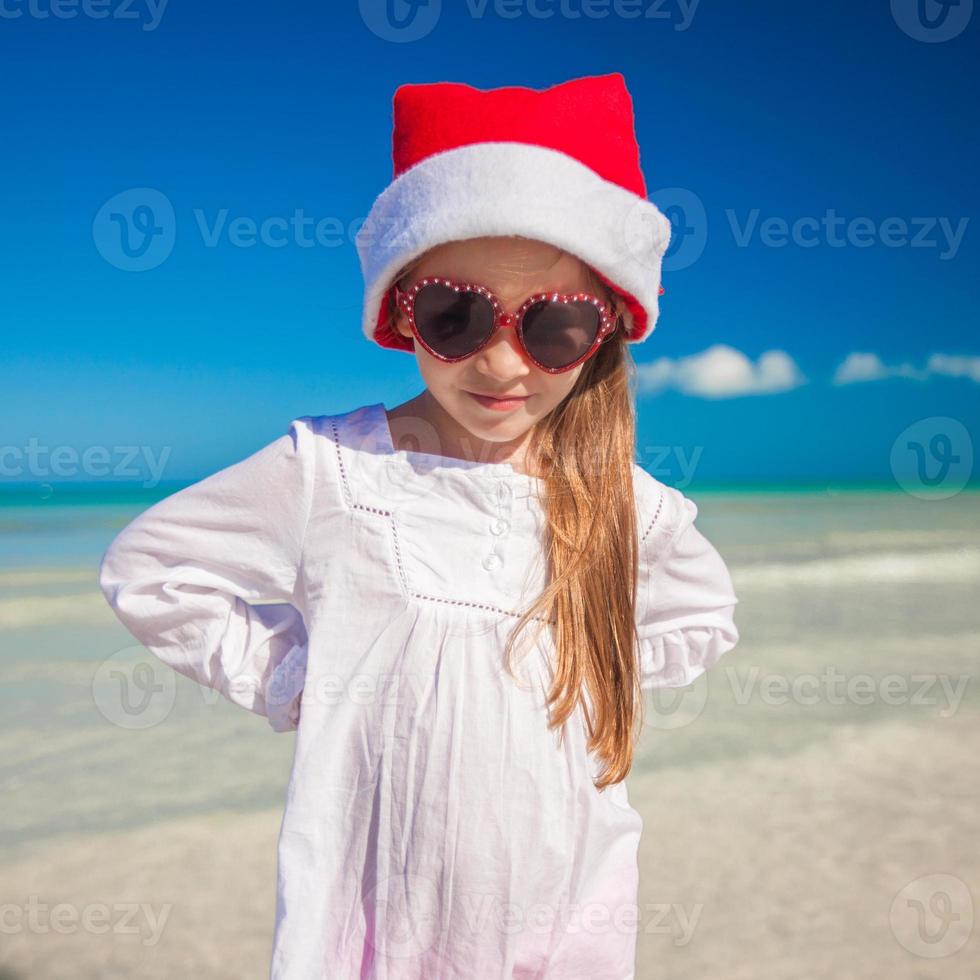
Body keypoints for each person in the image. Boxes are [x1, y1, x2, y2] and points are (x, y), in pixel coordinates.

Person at [99, 72, 740, 980]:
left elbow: (699, 618)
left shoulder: (621, 501)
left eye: (553, 324)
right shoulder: (333, 471)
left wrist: (592, 679)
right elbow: (151, 569)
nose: (504, 360)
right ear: (402, 312)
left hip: (570, 921)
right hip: (374, 929)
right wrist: (296, 677)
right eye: (457, 313)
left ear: (604, 333)